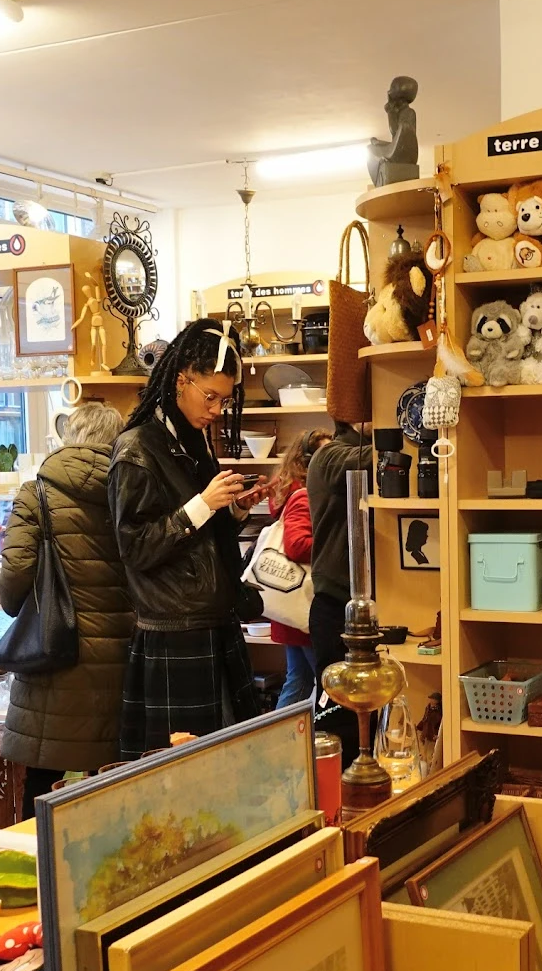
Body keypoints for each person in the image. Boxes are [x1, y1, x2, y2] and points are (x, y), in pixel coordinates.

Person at [108, 319, 272, 759]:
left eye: (225, 398)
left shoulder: (189, 440)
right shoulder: (137, 449)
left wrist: (233, 509)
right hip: (172, 633)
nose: (218, 409)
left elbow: (194, 540)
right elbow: (135, 548)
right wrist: (201, 505)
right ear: (181, 380)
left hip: (212, 624)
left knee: (229, 768)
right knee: (179, 780)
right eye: (211, 396)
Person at [0, 400, 133, 813]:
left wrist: (15, 603)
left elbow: (16, 577)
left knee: (44, 772)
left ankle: (38, 862)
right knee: (114, 778)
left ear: (70, 437)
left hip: (55, 649)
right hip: (120, 651)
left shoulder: (36, 493)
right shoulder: (129, 489)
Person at [306, 422, 374, 766]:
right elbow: (370, 457)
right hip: (337, 606)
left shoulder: (335, 453)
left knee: (365, 719)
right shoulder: (330, 454)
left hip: (361, 605)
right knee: (341, 720)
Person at [268, 428, 331, 708]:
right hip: (303, 607)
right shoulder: (304, 495)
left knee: (300, 679)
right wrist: (334, 542)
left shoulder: (293, 490)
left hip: (290, 604)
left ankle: (277, 744)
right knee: (319, 683)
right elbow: (297, 545)